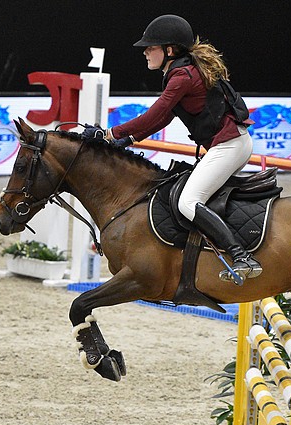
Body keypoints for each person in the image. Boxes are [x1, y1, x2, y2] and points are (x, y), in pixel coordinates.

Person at [82, 15, 261, 282]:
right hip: (229, 144)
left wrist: (108, 134)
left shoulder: (182, 76)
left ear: (170, 50)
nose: (145, 52)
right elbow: (164, 118)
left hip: (229, 146)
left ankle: (241, 256)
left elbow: (155, 113)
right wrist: (128, 141)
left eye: (151, 47)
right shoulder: (182, 71)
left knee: (188, 201)